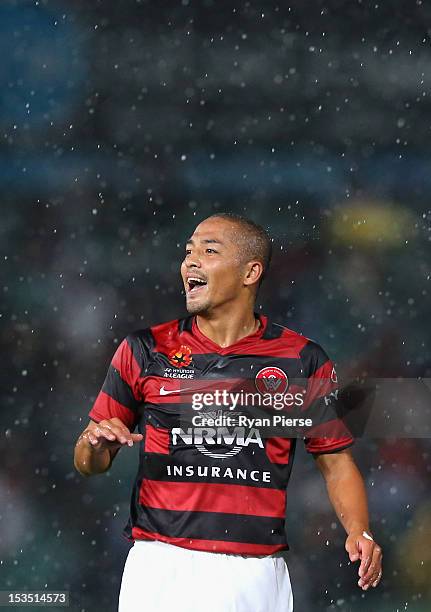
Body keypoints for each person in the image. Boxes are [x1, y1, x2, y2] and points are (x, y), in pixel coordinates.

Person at [73, 213, 382, 612]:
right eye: (188, 252)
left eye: (209, 250)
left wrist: (360, 531)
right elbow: (88, 463)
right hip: (159, 563)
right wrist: (92, 442)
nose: (191, 261)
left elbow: (336, 460)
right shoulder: (144, 349)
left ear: (250, 271)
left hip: (254, 572)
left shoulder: (304, 359)